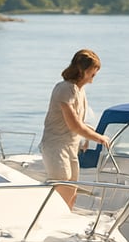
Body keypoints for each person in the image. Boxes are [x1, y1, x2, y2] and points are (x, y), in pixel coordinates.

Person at [41, 48, 110, 208]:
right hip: (56, 147)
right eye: (93, 71)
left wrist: (87, 137)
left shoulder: (80, 90)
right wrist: (99, 138)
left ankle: (66, 225)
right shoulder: (65, 89)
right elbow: (74, 125)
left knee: (71, 193)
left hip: (71, 147)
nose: (95, 75)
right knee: (63, 191)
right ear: (83, 70)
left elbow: (79, 122)